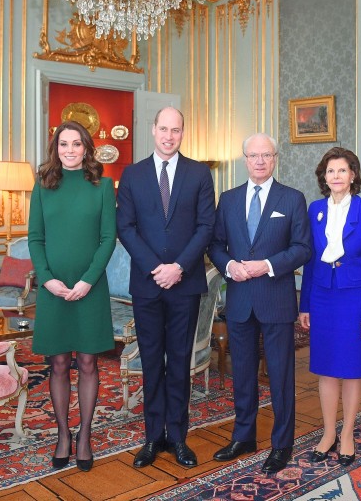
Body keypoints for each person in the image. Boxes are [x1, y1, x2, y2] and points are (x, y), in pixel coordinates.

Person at [116, 106, 215, 469]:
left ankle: (178, 438)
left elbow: (206, 226)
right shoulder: (133, 174)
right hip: (147, 285)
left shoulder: (199, 173)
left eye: (176, 130)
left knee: (179, 364)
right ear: (153, 130)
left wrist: (178, 267)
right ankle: (151, 437)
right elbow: (125, 227)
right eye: (163, 129)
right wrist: (156, 268)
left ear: (182, 133)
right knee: (151, 364)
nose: (169, 136)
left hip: (184, 285)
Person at [208, 133, 311, 474]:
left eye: (266, 155)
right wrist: (228, 265)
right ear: (245, 159)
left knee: (281, 375)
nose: (260, 161)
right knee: (243, 375)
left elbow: (301, 248)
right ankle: (244, 436)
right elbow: (217, 245)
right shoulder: (230, 198)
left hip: (276, 299)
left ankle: (282, 445)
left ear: (275, 158)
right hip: (239, 300)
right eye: (254, 155)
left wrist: (266, 265)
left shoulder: (293, 199)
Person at [28, 120, 117, 472]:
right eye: (63, 144)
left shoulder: (103, 185)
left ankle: (84, 436)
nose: (69, 150)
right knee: (59, 363)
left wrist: (88, 281)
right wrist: (46, 280)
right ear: (56, 148)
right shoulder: (42, 187)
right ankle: (63, 434)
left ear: (86, 148)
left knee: (88, 362)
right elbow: (35, 238)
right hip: (54, 289)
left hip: (89, 288)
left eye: (76, 144)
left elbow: (107, 239)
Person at [298, 147, 361, 467]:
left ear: (353, 176)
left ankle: (347, 433)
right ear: (324, 177)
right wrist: (304, 304)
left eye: (342, 171)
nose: (336, 176)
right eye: (330, 171)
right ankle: (328, 433)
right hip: (322, 298)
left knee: (351, 369)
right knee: (326, 368)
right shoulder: (314, 209)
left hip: (355, 299)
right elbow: (308, 261)